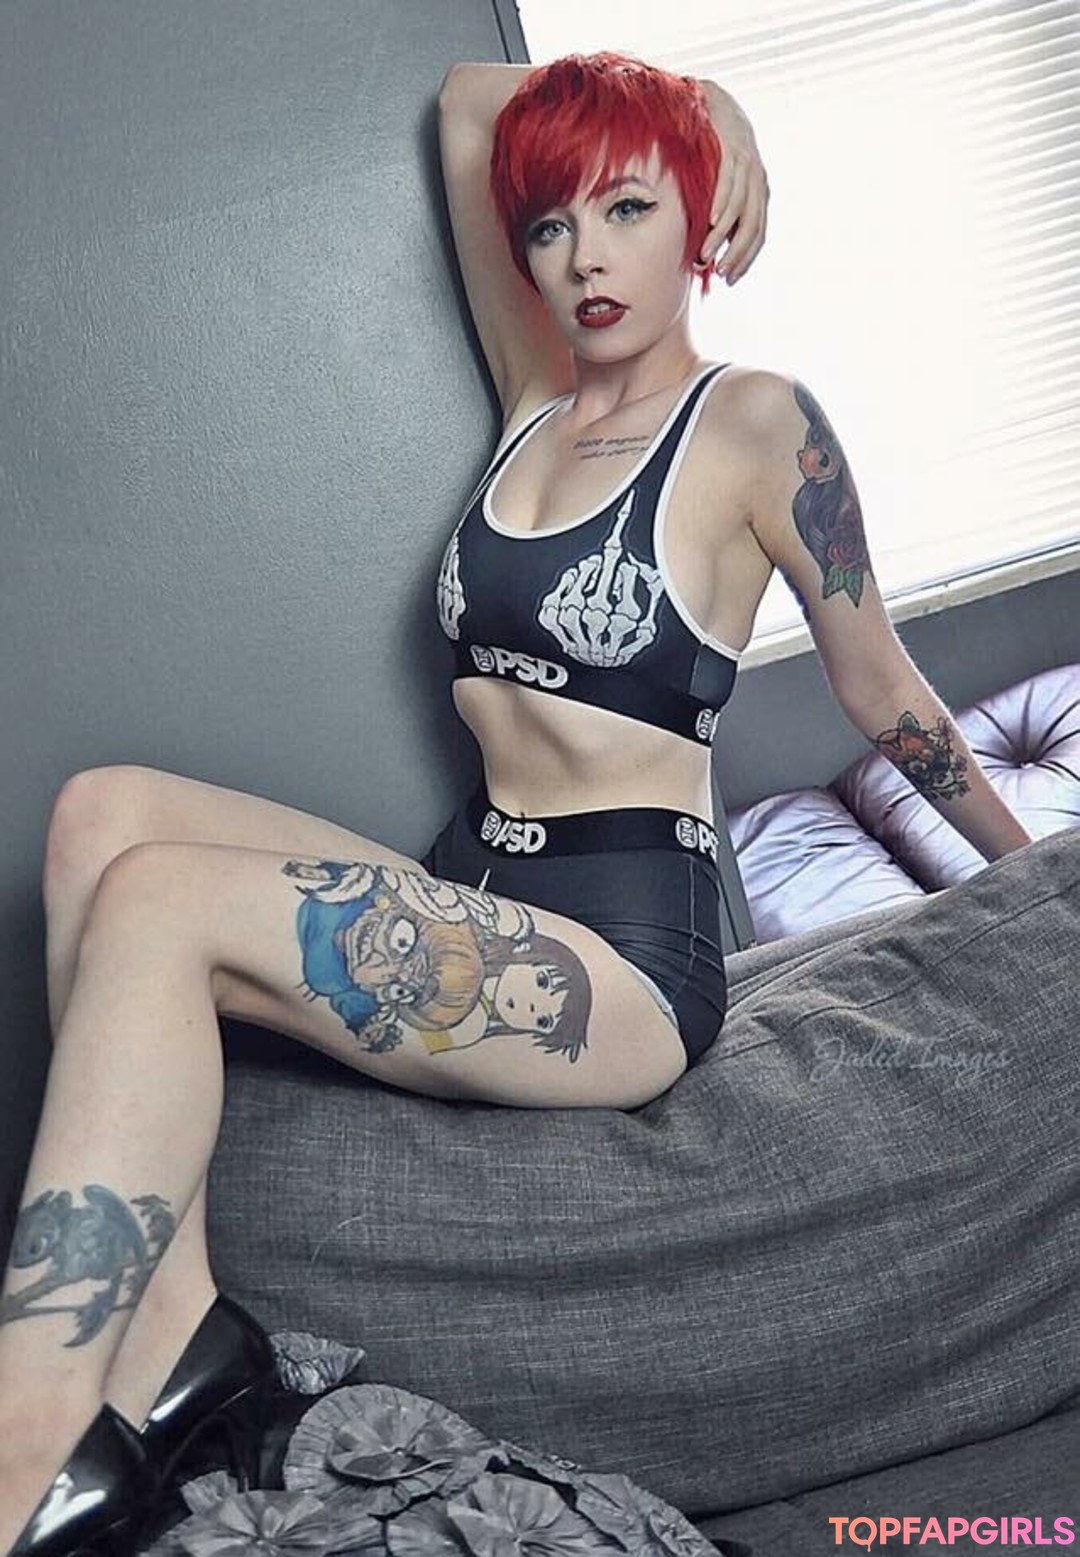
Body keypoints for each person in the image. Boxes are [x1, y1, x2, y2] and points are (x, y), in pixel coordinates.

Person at [0, 50, 1031, 1554]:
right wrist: (704, 109)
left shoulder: (754, 423)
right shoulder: (538, 398)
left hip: (620, 960)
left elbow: (886, 696)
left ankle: (29, 1437)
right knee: (102, 817)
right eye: (555, 223)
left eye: (632, 208)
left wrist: (1037, 877)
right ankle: (177, 1357)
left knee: (158, 899)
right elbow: (474, 104)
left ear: (699, 223)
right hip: (478, 880)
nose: (586, 255)